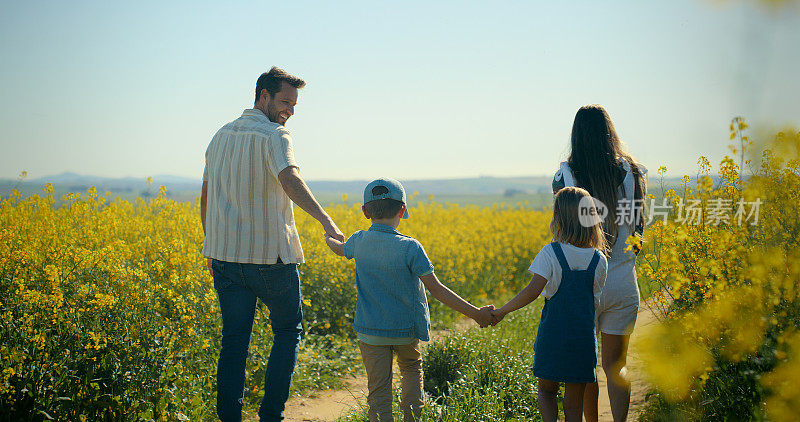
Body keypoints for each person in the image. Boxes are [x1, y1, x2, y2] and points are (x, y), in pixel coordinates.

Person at [200, 67, 345, 422]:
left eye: (294, 104)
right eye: (285, 101)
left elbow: (206, 195)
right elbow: (289, 178)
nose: (290, 110)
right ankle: (271, 416)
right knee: (287, 331)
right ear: (263, 95)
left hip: (224, 258)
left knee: (233, 343)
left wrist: (210, 244)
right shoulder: (274, 135)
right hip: (271, 259)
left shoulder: (219, 136)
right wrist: (326, 221)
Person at [323, 178, 495, 422]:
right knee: (412, 369)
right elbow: (437, 290)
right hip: (405, 331)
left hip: (371, 332)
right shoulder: (411, 248)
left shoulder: (358, 241)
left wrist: (330, 238)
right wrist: (477, 313)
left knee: (379, 389)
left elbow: (339, 248)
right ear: (403, 211)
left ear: (365, 212)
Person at [552, 104, 647, 422]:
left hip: (582, 283)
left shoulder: (565, 175)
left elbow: (563, 234)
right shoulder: (632, 171)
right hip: (622, 280)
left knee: (585, 368)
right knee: (617, 365)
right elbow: (638, 228)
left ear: (576, 135)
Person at [490, 186, 608, 422]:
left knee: (546, 392)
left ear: (559, 219)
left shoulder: (550, 253)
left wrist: (502, 311)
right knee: (573, 405)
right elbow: (594, 299)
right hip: (583, 342)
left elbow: (532, 292)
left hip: (553, 340)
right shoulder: (599, 259)